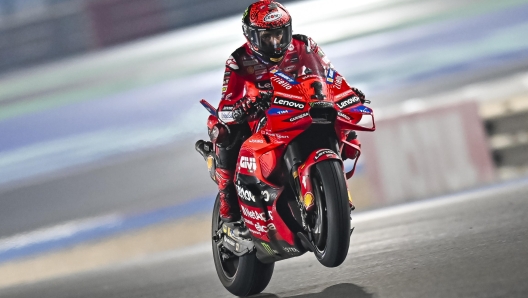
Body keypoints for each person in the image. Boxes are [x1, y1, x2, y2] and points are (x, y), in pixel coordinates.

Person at [197, 0, 366, 223]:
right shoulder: (238, 61)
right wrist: (242, 108)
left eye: (280, 34)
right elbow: (225, 107)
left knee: (343, 124)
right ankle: (227, 196)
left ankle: (332, 188)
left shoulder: (305, 45)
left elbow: (329, 74)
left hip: (300, 110)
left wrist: (345, 92)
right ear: (251, 36)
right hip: (261, 120)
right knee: (223, 130)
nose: (276, 42)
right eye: (267, 37)